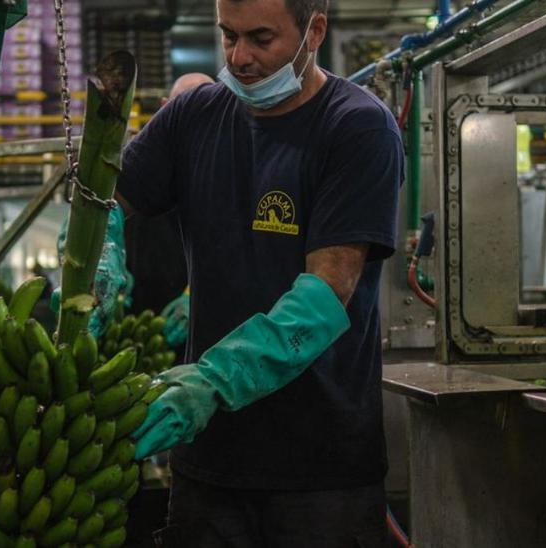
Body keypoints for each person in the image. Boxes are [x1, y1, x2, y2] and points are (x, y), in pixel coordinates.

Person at [94, 0, 405, 544]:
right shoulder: (192, 117)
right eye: (228, 35)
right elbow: (106, 196)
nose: (239, 57)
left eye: (262, 39)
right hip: (209, 463)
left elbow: (325, 294)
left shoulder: (356, 127)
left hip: (319, 469)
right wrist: (102, 248)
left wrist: (214, 381)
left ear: (315, 31)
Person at [123, 74, 215, 348]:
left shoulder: (224, 170)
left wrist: (197, 293)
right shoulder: (139, 162)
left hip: (197, 323)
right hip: (134, 321)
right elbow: (109, 213)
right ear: (166, 107)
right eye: (185, 108)